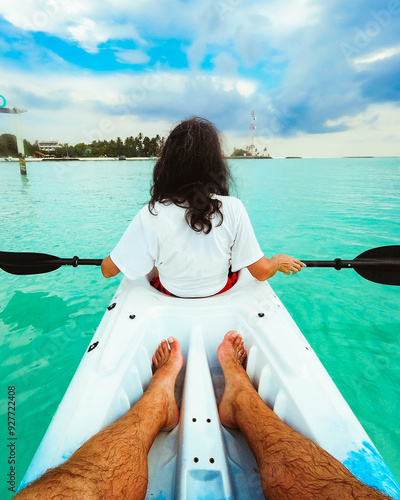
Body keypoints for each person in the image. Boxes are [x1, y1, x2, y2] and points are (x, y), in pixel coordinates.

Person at [15, 333, 393, 500]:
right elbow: (257, 270)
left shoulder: (152, 215)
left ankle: (161, 398)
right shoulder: (233, 213)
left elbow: (109, 270)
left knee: (78, 487)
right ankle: (240, 397)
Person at [101, 117, 305, 297]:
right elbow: (261, 272)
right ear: (215, 165)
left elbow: (108, 271)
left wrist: (118, 255)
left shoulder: (152, 212)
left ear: (167, 165)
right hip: (218, 291)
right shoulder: (233, 208)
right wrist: (277, 262)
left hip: (171, 293)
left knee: (153, 264)